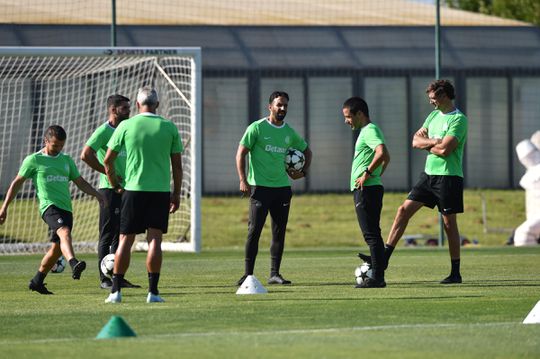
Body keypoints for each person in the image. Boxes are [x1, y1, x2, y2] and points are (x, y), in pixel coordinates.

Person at [359, 79, 468, 284]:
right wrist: (435, 142)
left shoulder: (459, 120)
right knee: (403, 210)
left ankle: (455, 273)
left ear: (444, 96)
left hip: (449, 177)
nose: (431, 102)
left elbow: (446, 150)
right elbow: (414, 141)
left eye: (433, 98)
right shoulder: (433, 116)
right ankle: (383, 259)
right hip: (428, 175)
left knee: (448, 223)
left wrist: (429, 144)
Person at [0, 125, 105, 294]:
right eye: (55, 145)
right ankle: (73, 263)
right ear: (46, 141)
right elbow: (16, 183)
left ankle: (37, 281)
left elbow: (80, 182)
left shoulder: (67, 160)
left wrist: (97, 194)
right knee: (64, 232)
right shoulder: (34, 160)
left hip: (66, 209)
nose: (58, 149)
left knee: (56, 249)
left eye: (61, 146)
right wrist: (4, 207)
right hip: (49, 207)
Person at [103, 86, 183, 303]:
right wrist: (176, 194)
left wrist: (115, 183)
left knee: (125, 241)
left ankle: (116, 292)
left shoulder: (126, 125)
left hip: (133, 191)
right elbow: (177, 167)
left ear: (138, 105)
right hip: (160, 192)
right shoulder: (169, 127)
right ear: (157, 105)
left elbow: (108, 160)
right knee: (155, 240)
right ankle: (153, 293)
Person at [236, 91, 312, 286]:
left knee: (279, 232)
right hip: (260, 189)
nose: (282, 109)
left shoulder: (289, 132)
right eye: (279, 105)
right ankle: (248, 275)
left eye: (285, 105)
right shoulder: (257, 128)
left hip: (282, 189)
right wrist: (243, 180)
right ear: (270, 107)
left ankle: (274, 274)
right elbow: (241, 153)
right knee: (254, 231)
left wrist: (302, 172)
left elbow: (307, 151)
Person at [81, 94, 140, 290]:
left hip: (126, 189)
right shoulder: (103, 131)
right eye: (124, 108)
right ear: (113, 110)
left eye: (129, 108)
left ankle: (117, 276)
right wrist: (106, 171)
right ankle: (104, 279)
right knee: (107, 234)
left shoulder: (127, 129)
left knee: (121, 233)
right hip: (109, 189)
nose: (129, 111)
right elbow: (86, 155)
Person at [343, 97, 390, 288]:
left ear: (360, 114)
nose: (346, 121)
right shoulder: (367, 131)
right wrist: (376, 174)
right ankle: (376, 264)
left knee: (371, 234)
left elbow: (381, 152)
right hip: (370, 187)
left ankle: (377, 276)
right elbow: (386, 157)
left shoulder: (370, 130)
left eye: (348, 117)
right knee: (372, 233)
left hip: (367, 189)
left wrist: (368, 174)